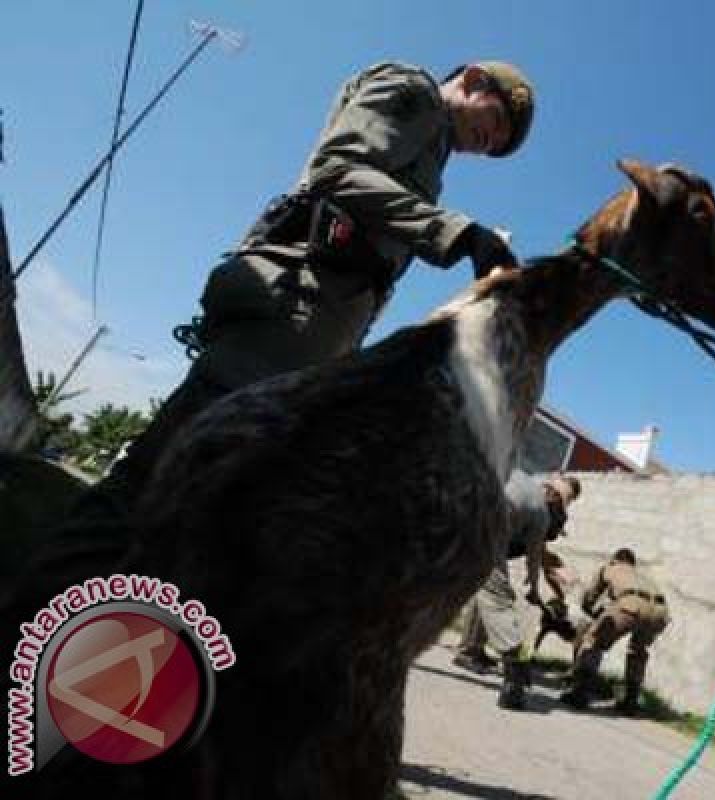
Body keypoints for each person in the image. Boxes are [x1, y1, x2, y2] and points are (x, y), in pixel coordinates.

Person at [106, 59, 536, 512]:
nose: (490, 144)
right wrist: (461, 233)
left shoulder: (432, 144)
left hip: (320, 316)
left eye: (497, 146)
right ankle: (67, 577)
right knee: (165, 471)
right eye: (498, 122)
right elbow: (338, 171)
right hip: (297, 299)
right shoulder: (416, 94)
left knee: (204, 487)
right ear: (472, 82)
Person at [454, 471, 580, 710]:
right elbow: (535, 560)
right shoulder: (542, 516)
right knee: (498, 597)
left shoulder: (522, 478)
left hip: (463, 510)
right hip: (486, 530)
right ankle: (515, 668)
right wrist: (533, 589)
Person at [561, 547, 669, 715]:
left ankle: (580, 693)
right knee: (638, 652)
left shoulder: (609, 568)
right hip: (660, 611)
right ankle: (631, 702)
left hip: (630, 604)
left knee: (593, 641)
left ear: (614, 559)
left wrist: (590, 613)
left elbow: (591, 595)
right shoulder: (641, 576)